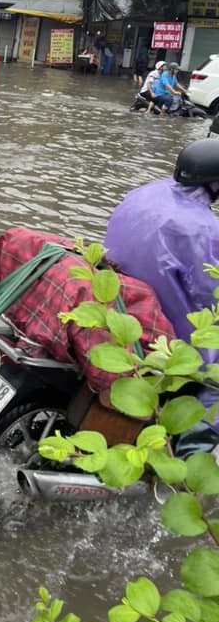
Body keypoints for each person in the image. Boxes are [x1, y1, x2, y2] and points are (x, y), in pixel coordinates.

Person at [104, 139, 219, 439]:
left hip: (120, 298)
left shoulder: (148, 191)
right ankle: (186, 458)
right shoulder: (202, 227)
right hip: (163, 321)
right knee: (215, 381)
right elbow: (209, 290)